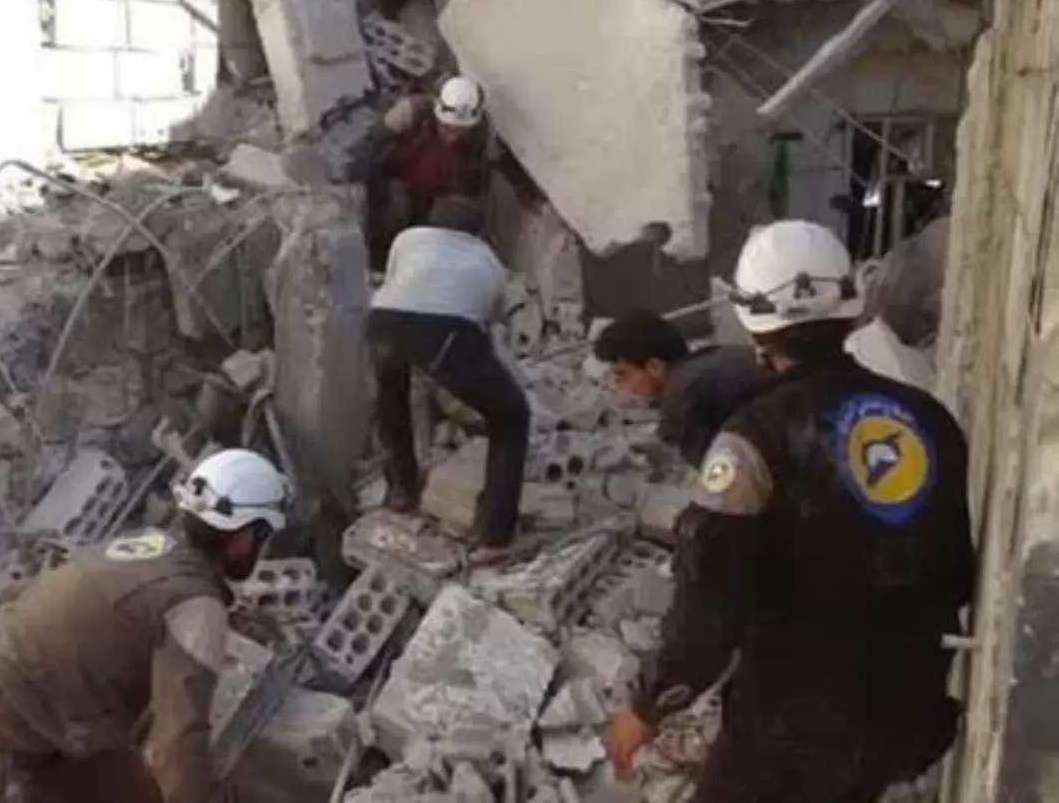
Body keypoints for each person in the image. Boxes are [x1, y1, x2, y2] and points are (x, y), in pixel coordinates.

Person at [606, 219, 975, 803]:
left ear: (756, 328)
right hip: (905, 709)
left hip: (793, 721)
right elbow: (955, 571)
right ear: (850, 310)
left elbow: (710, 604)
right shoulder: (927, 419)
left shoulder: (752, 441)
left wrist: (650, 705)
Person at [0, 448, 290, 803]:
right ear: (243, 541)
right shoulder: (196, 607)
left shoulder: (146, 546)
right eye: (265, 539)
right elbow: (177, 751)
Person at [366, 193, 529, 566]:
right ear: (478, 233)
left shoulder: (407, 239)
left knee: (392, 401)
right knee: (511, 417)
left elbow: (398, 282)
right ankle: (496, 536)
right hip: (445, 332)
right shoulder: (489, 261)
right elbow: (485, 324)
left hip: (382, 322)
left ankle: (401, 492)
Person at [592, 310, 774, 469]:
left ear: (655, 367)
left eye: (622, 374)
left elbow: (721, 477)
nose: (617, 385)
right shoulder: (710, 358)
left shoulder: (680, 397)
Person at [364, 74, 491, 271]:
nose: (452, 137)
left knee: (453, 215)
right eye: (446, 128)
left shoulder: (480, 134)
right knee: (398, 208)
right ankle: (381, 261)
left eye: (459, 131)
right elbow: (372, 142)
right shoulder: (410, 113)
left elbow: (479, 181)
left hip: (443, 194)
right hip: (401, 183)